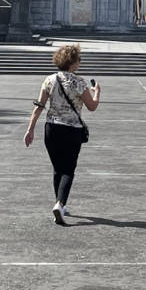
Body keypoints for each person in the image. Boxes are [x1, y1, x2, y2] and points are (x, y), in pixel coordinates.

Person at [23, 41, 101, 225]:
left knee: (58, 168)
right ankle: (60, 204)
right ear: (72, 62)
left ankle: (59, 204)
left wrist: (30, 129)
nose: (80, 62)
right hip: (71, 130)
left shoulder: (49, 80)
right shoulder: (79, 82)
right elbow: (92, 106)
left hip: (51, 129)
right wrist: (97, 92)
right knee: (68, 169)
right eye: (79, 59)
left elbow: (39, 107)